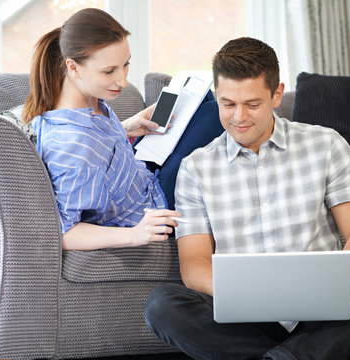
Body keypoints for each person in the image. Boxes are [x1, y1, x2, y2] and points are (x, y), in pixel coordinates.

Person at [144, 37, 350, 360]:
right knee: (162, 305)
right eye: (228, 104)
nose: (239, 117)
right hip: (245, 318)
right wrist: (252, 294)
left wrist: (324, 289)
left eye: (253, 104)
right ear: (217, 96)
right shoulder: (196, 168)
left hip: (319, 314)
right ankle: (297, 356)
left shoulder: (326, 145)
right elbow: (195, 266)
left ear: (276, 94)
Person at [22, 8, 223, 250]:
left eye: (125, 65)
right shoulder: (73, 147)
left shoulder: (87, 100)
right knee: (215, 113)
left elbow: (99, 147)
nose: (123, 81)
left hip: (143, 174)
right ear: (73, 68)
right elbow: (66, 232)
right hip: (153, 207)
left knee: (198, 96)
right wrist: (136, 234)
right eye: (109, 71)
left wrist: (127, 126)